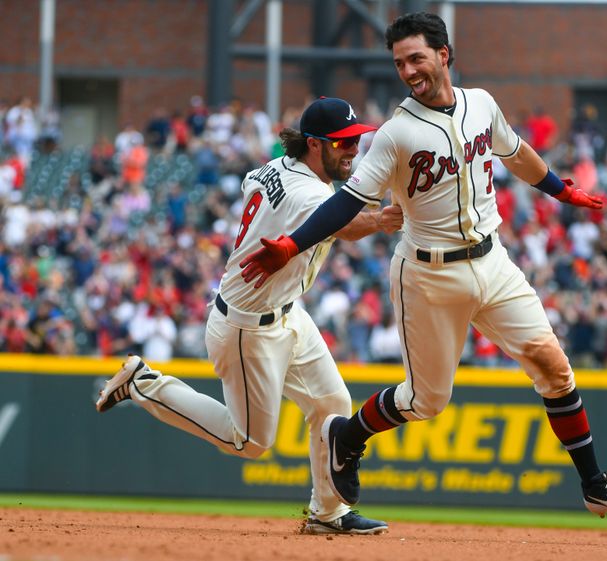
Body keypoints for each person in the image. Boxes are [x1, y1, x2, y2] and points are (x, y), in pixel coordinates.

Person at [239, 12, 607, 521]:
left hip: (492, 260)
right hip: (428, 275)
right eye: (399, 62)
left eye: (416, 57)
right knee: (426, 401)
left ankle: (595, 485)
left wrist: (561, 189)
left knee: (554, 367)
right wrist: (291, 243)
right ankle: (347, 436)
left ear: (443, 54)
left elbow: (517, 154)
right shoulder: (395, 133)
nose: (408, 69)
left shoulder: (481, 105)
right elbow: (347, 202)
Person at [95, 97, 403, 535]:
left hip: (287, 313)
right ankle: (145, 384)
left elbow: (256, 187)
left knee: (332, 404)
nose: (353, 149)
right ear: (314, 146)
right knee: (251, 442)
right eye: (343, 143)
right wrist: (381, 219)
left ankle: (327, 514)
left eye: (355, 139)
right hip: (247, 325)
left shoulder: (274, 168)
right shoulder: (309, 191)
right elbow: (343, 225)